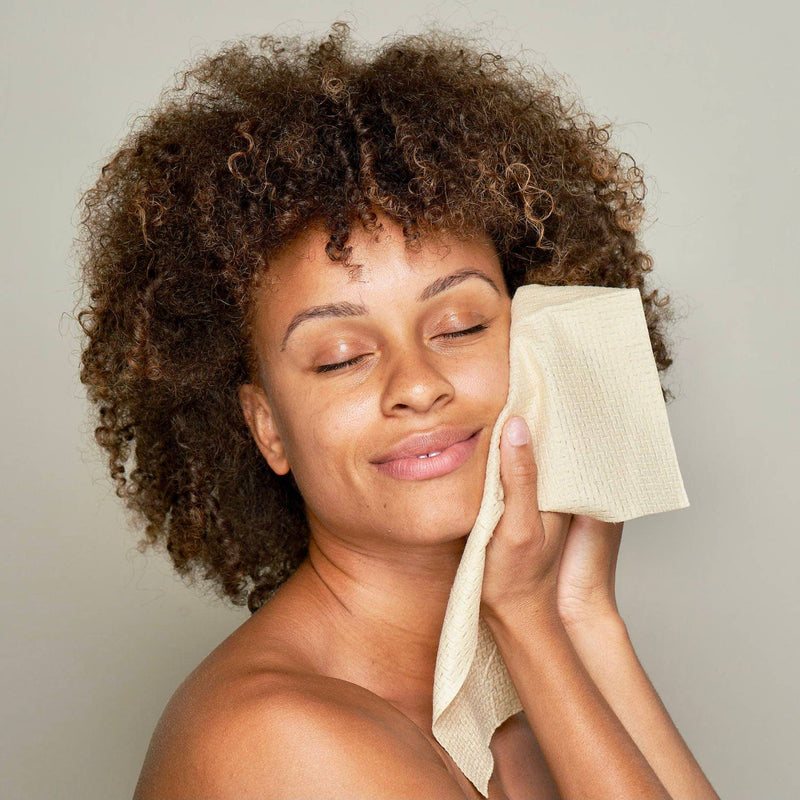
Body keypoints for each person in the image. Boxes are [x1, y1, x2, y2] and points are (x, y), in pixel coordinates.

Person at [76, 21, 719, 799]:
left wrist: (579, 616)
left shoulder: (514, 700)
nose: (416, 383)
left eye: (462, 326)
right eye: (342, 357)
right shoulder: (281, 737)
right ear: (267, 427)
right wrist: (538, 624)